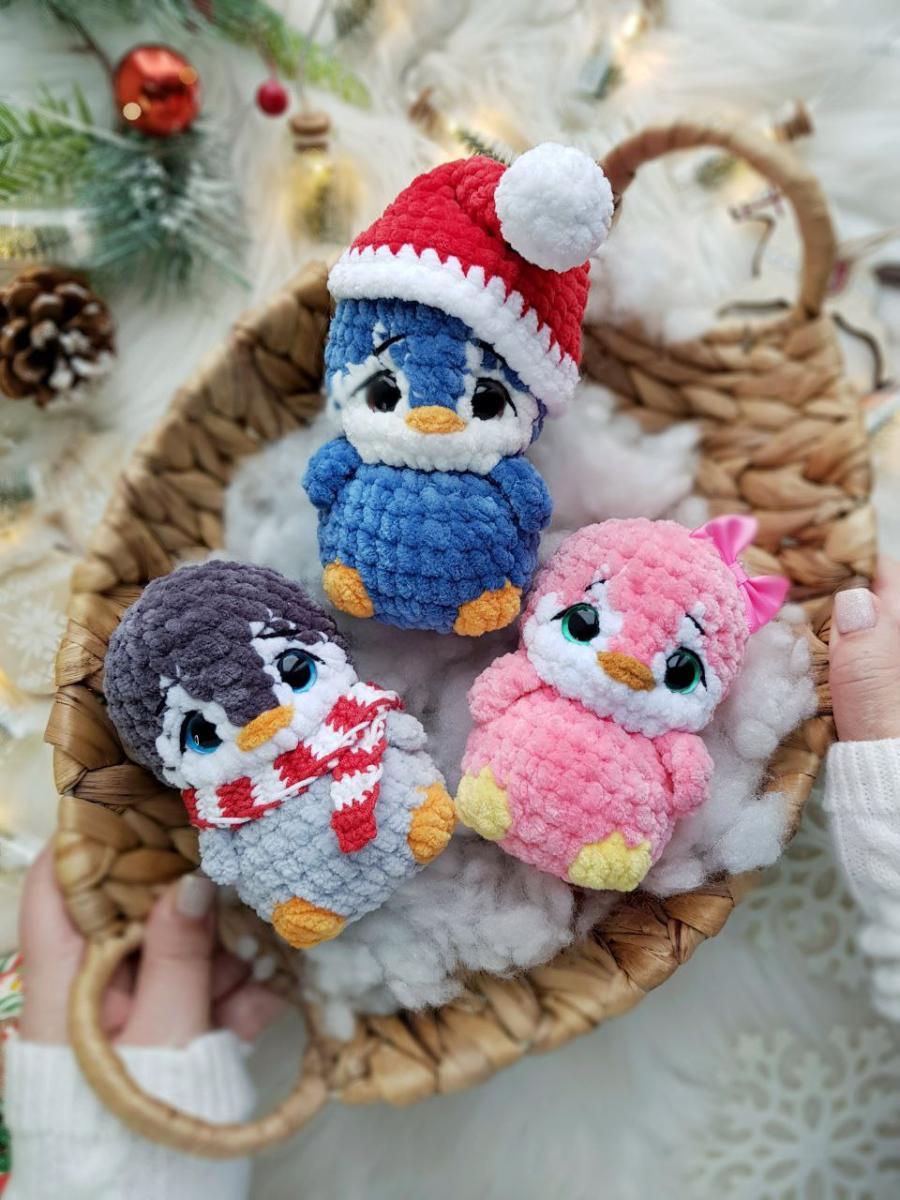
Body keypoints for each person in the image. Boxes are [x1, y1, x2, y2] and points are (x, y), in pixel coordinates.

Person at [5, 567, 900, 1197]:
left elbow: (662, 764)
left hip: (522, 814)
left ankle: (482, 816)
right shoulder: (269, 776)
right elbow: (233, 842)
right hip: (378, 846)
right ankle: (433, 829)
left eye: (293, 675)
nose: (271, 723)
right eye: (202, 735)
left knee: (456, 805)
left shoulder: (380, 718)